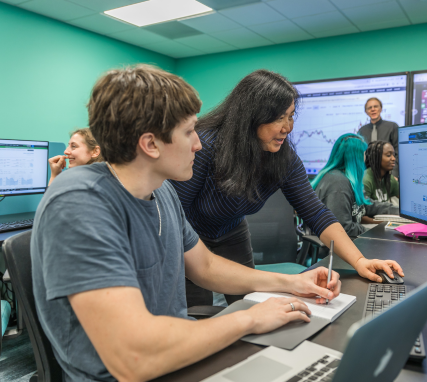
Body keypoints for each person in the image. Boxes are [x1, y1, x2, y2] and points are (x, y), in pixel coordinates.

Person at [31, 64, 343, 382]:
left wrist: (292, 284)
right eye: (188, 131)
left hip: (180, 358)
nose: (198, 143)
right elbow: (132, 360)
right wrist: (249, 320)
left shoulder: (162, 190)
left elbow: (205, 267)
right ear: (150, 144)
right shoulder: (78, 203)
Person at [171, 69, 404, 308]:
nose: (288, 127)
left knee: (246, 302)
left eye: (291, 116)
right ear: (250, 117)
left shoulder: (283, 158)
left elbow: (316, 213)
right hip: (188, 234)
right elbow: (175, 217)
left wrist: (359, 260)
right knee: (195, 308)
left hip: (231, 231)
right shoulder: (205, 147)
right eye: (278, 118)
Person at [312, 134, 399, 239]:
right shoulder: (338, 184)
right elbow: (343, 228)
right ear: (356, 158)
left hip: (349, 239)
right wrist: (374, 231)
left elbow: (367, 205)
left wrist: (398, 211)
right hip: (334, 248)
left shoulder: (348, 179)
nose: (365, 158)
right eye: (363, 154)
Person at [357, 97, 400, 178]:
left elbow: (397, 152)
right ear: (366, 112)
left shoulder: (392, 127)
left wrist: (394, 174)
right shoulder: (362, 131)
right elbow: (359, 155)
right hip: (368, 176)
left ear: (380, 109)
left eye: (375, 106)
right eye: (369, 108)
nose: (373, 109)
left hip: (388, 175)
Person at [364, 140, 399, 207]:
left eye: (393, 155)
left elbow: (404, 199)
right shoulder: (366, 180)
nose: (393, 158)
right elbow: (361, 214)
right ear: (376, 158)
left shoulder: (390, 179)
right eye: (388, 155)